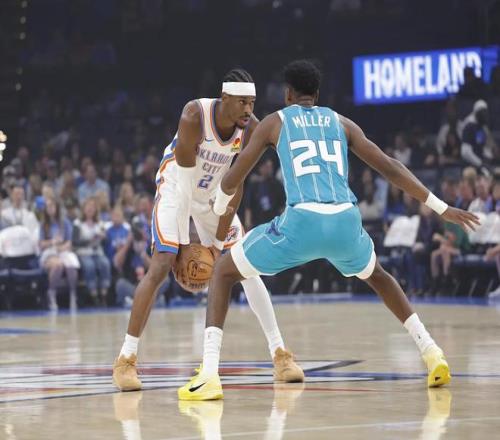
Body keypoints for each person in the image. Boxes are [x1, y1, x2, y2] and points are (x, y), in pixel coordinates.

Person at [178, 60, 480, 400]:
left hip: (302, 221)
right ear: (317, 95)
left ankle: (209, 374)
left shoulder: (276, 121)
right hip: (345, 221)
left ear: (288, 95)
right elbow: (390, 167)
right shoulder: (342, 122)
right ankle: (432, 352)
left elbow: (234, 177)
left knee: (223, 271)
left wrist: (219, 206)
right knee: (379, 276)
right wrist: (442, 207)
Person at [112, 69, 303, 392]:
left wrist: (215, 245)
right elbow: (186, 186)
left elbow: (236, 185)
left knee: (246, 266)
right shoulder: (194, 115)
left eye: (252, 103)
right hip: (177, 187)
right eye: (242, 102)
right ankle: (125, 359)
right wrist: (184, 244)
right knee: (161, 264)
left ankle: (280, 355)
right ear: (224, 98)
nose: (248, 110)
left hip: (216, 195)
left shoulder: (251, 129)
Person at [39, 197, 80, 311]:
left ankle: (73, 295)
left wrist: (62, 247)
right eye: (48, 206)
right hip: (49, 251)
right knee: (58, 265)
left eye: (52, 206)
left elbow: (69, 242)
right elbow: (41, 244)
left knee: (71, 266)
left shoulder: (65, 222)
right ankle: (51, 294)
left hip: (63, 250)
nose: (50, 208)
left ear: (57, 207)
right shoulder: (43, 224)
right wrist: (52, 242)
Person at [73, 196, 112, 305]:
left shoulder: (100, 223)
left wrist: (104, 238)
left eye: (92, 207)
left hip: (97, 252)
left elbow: (106, 242)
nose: (90, 209)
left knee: (105, 264)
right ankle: (93, 295)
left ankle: (104, 294)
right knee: (89, 266)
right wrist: (91, 239)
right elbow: (75, 242)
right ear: (83, 209)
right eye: (88, 206)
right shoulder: (78, 223)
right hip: (84, 252)